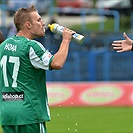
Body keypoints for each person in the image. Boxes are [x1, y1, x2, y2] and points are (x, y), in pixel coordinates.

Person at [0, 5, 74, 133]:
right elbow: (57, 63)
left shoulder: (3, 46)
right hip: (29, 113)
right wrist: (66, 40)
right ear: (28, 25)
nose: (43, 23)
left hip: (7, 113)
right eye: (39, 20)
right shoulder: (31, 46)